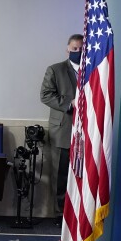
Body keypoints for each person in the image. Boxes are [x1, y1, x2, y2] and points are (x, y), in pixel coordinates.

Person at [40, 34, 83, 225]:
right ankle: (60, 215)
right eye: (74, 49)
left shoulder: (94, 71)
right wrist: (69, 103)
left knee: (82, 175)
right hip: (62, 130)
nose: (78, 52)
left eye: (81, 49)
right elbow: (45, 95)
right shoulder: (55, 70)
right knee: (60, 175)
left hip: (85, 133)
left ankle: (78, 214)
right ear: (67, 49)